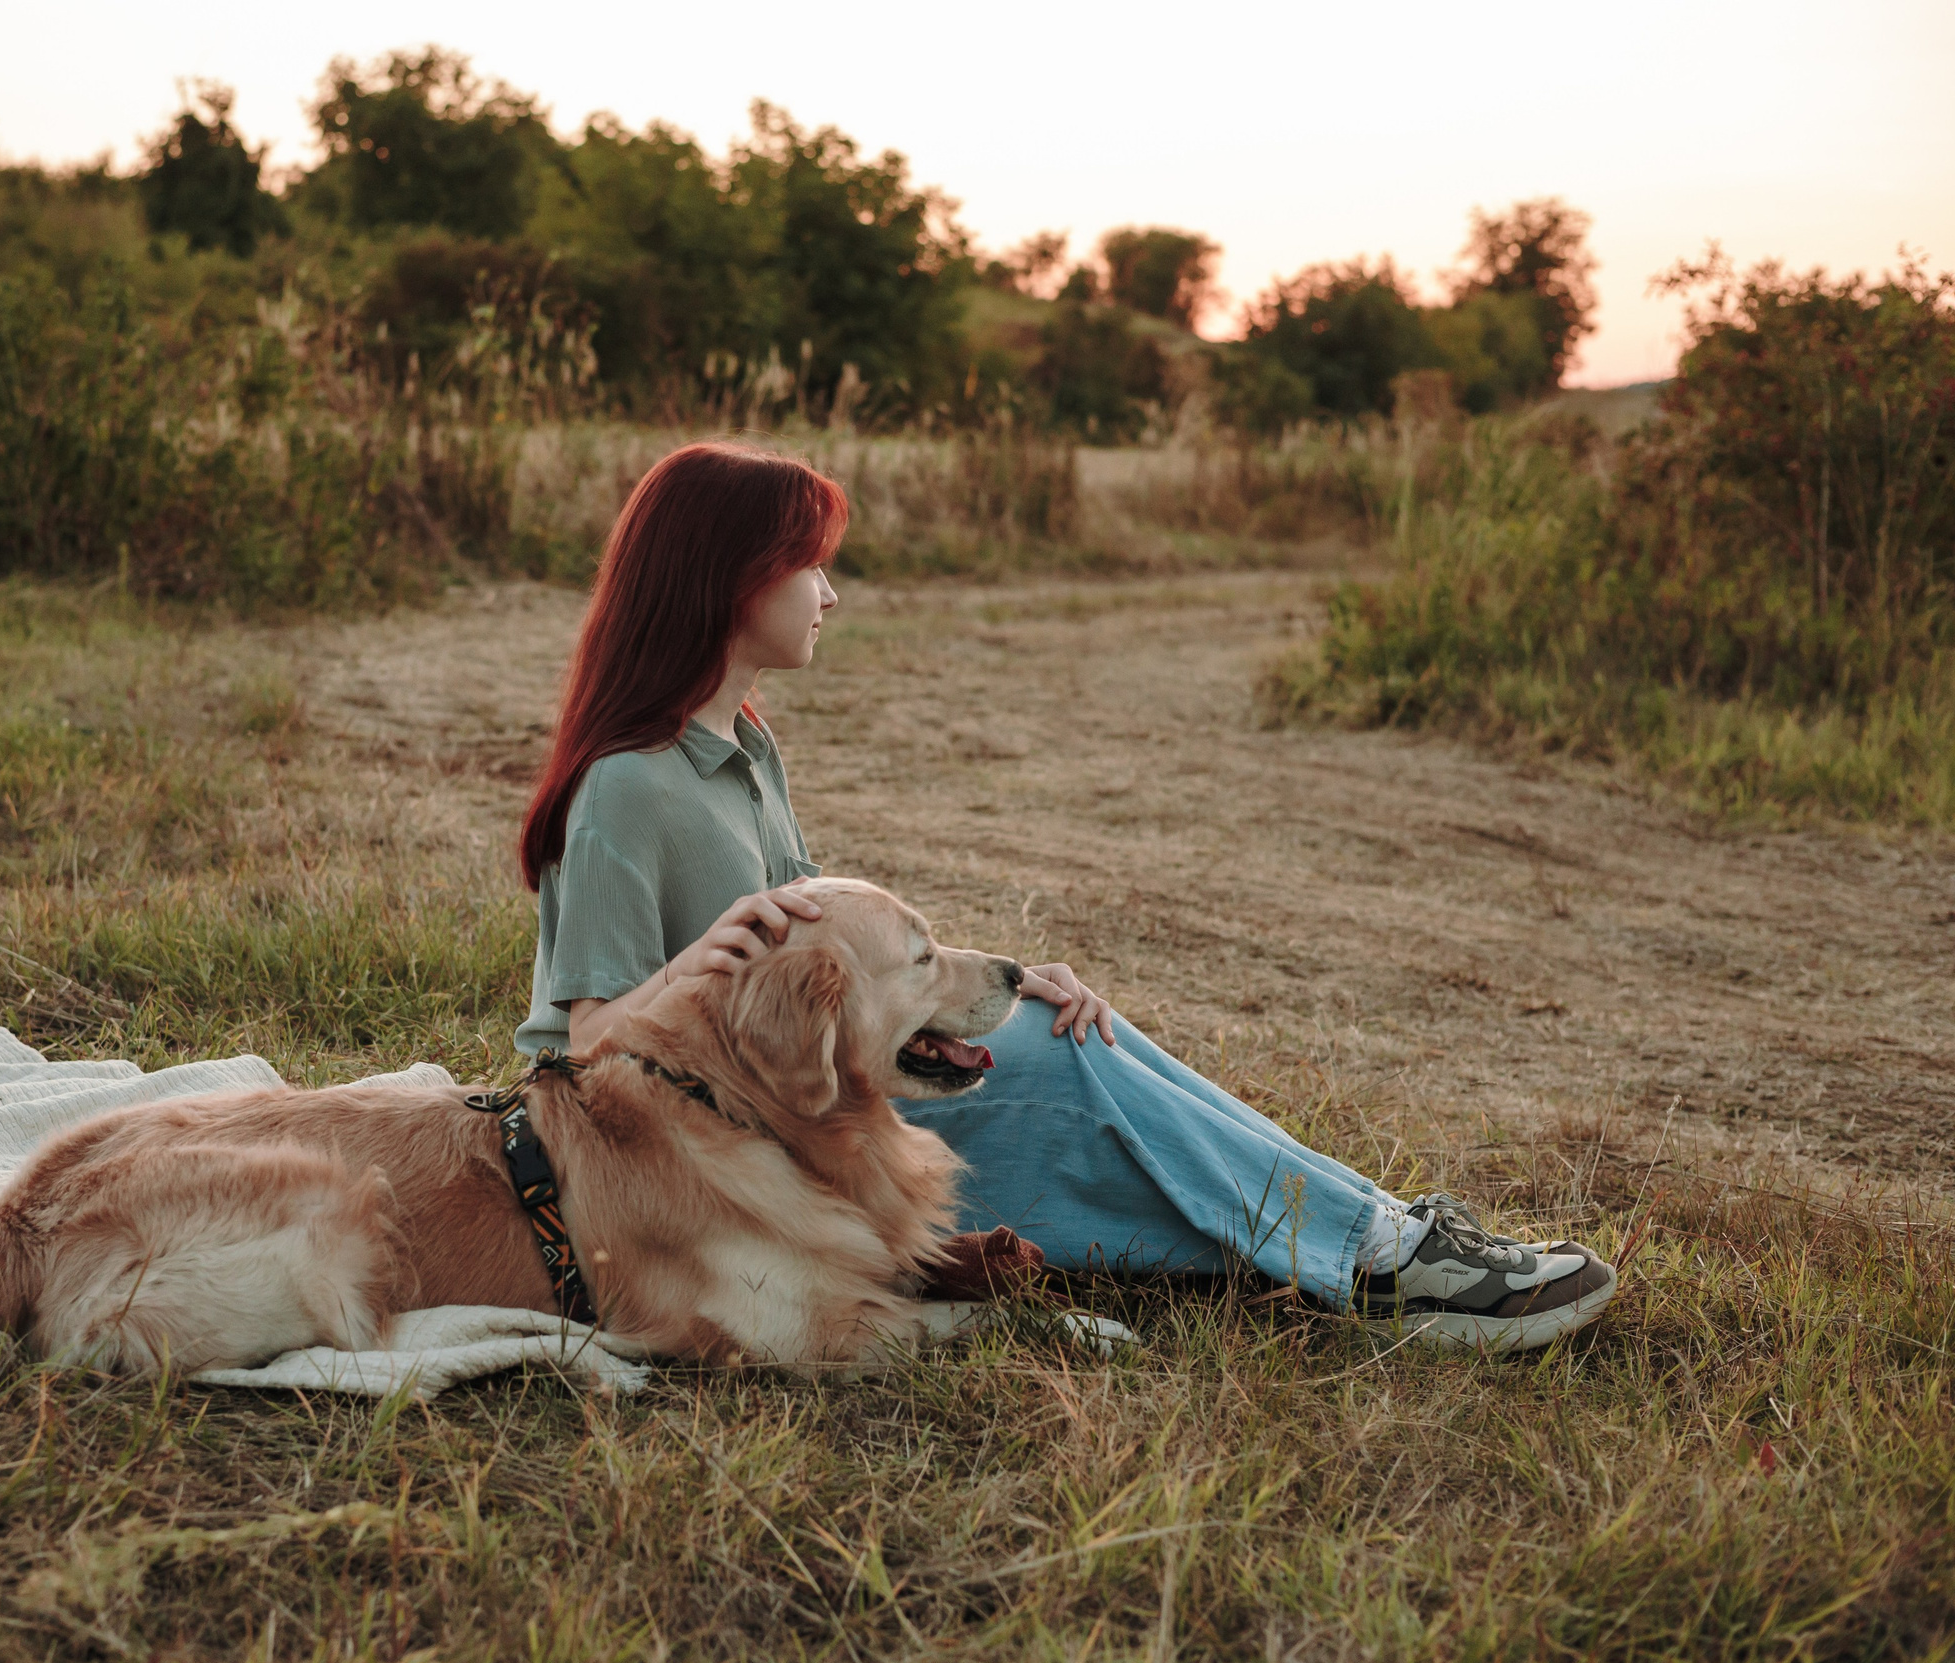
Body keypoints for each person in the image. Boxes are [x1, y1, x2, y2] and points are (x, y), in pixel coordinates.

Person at [514, 442, 1616, 1350]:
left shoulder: (745, 744)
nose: (831, 593)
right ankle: (1376, 1264)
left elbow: (832, 966)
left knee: (1062, 1023)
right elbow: (577, 1050)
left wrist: (981, 980)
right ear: (731, 576)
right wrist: (694, 959)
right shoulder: (626, 788)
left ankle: (1376, 1240)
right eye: (810, 565)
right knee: (1063, 1066)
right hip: (725, 1146)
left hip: (816, 1099)